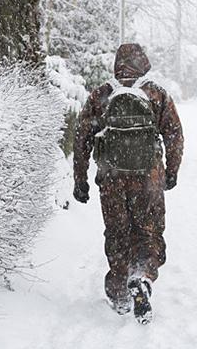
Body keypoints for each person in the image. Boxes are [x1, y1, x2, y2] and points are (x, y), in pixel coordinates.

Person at [72, 43, 184, 324]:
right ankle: (143, 277)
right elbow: (174, 135)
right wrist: (171, 171)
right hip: (148, 179)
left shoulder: (102, 94)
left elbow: (82, 137)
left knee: (117, 232)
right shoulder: (155, 93)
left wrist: (80, 180)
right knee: (149, 232)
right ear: (142, 62)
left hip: (111, 179)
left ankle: (119, 293)